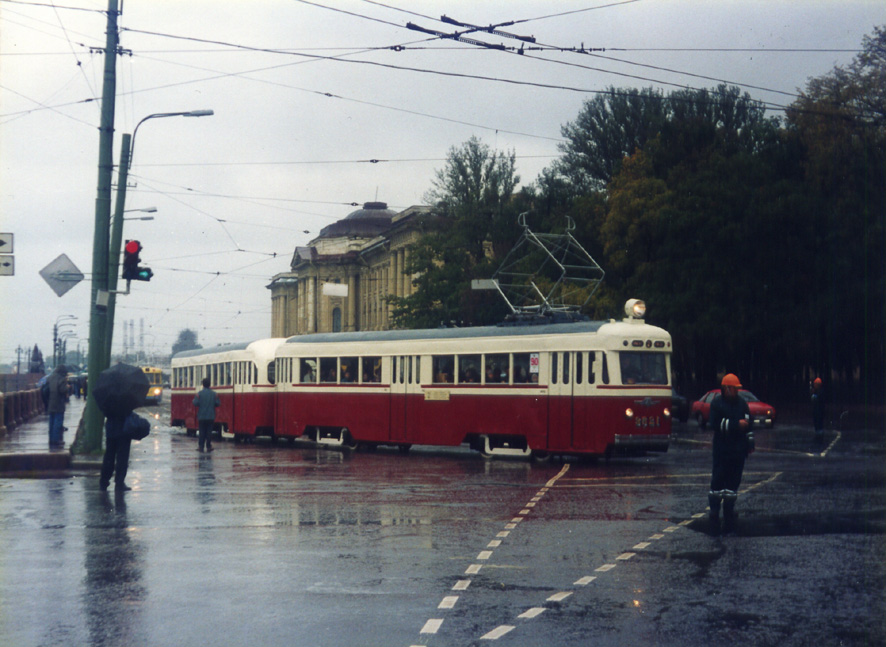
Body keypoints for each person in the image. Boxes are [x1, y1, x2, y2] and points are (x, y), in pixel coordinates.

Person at [708, 373, 754, 535]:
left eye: (737, 389)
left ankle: (729, 511)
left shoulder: (742, 404)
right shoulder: (717, 404)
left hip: (738, 452)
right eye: (734, 389)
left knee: (733, 485)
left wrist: (750, 442)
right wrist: (736, 425)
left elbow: (749, 424)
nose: (736, 392)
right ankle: (714, 511)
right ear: (726, 388)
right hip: (722, 451)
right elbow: (714, 424)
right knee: (718, 483)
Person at [100, 414, 132, 491]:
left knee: (109, 455)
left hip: (111, 427)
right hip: (123, 428)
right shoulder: (124, 401)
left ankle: (104, 481)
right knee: (122, 457)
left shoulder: (107, 401)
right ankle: (119, 482)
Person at [193, 378, 220, 453]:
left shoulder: (199, 394)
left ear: (203, 385)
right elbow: (218, 403)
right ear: (209, 384)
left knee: (202, 432)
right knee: (209, 432)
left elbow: (195, 403)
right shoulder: (214, 394)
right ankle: (208, 446)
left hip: (201, 416)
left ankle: (201, 446)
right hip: (211, 416)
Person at [46, 365, 69, 447]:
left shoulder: (50, 377)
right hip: (59, 403)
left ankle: (51, 439)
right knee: (58, 422)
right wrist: (68, 388)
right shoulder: (61, 379)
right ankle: (56, 440)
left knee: (51, 422)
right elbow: (62, 390)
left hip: (50, 402)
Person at [811, 377, 825, 442]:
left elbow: (817, 399)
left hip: (819, 410)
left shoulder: (821, 392)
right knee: (816, 421)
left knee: (819, 422)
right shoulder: (817, 391)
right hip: (816, 410)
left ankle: (819, 434)